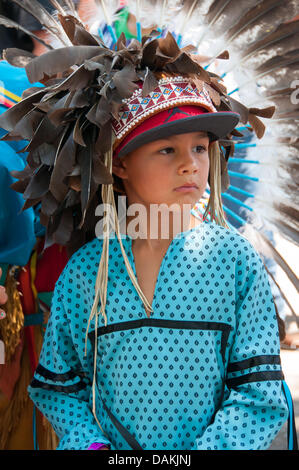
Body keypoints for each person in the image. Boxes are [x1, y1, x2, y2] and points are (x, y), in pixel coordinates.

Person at [0, 9, 292, 451]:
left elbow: (260, 394)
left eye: (200, 146)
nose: (190, 164)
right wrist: (92, 446)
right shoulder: (86, 273)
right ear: (119, 164)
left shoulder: (235, 262)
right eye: (167, 148)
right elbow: (58, 389)